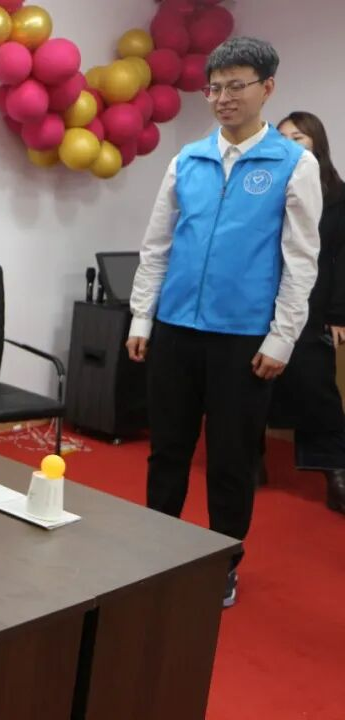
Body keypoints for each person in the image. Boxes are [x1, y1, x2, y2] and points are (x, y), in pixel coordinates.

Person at [126, 37, 322, 607]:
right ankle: (154, 550)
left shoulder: (294, 164)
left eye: (237, 85)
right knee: (167, 449)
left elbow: (300, 259)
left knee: (232, 459)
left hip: (244, 338)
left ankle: (223, 562)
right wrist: (142, 318)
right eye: (214, 88)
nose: (223, 98)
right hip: (176, 329)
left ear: (267, 88)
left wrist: (282, 337)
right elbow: (157, 246)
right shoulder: (187, 160)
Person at [267, 111, 345, 514]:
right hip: (263, 297)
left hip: (315, 301)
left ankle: (335, 471)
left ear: (317, 142)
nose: (289, 144)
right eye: (282, 137)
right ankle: (248, 460)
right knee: (253, 378)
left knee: (316, 384)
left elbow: (342, 258)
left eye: (298, 138)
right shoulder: (267, 185)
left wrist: (339, 313)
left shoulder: (337, 194)